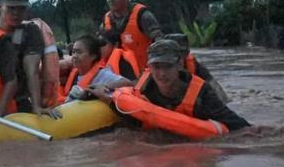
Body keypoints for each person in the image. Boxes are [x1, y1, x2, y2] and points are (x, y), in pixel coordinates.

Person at [89, 40, 250, 131]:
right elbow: (129, 107)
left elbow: (236, 124)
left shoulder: (202, 94)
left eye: (168, 66)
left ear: (180, 64)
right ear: (149, 67)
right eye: (156, 67)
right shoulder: (143, 86)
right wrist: (106, 95)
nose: (162, 74)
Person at [0, 0, 60, 117]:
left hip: (17, 99)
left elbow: (32, 71)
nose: (16, 13)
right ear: (0, 6)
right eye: (11, 8)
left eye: (21, 8)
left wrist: (36, 106)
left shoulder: (31, 32)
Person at [102, 0, 163, 72]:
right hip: (117, 77)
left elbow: (160, 43)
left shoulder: (142, 16)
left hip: (145, 75)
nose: (110, 0)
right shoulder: (106, 20)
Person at [61, 34, 132, 103]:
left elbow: (127, 82)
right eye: (73, 52)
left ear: (93, 56)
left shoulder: (102, 74)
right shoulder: (72, 75)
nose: (74, 56)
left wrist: (105, 86)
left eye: (79, 52)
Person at [165, 33, 230, 103]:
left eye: (183, 53)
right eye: (174, 53)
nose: (179, 57)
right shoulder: (156, 68)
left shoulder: (195, 66)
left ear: (187, 53)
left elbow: (216, 89)